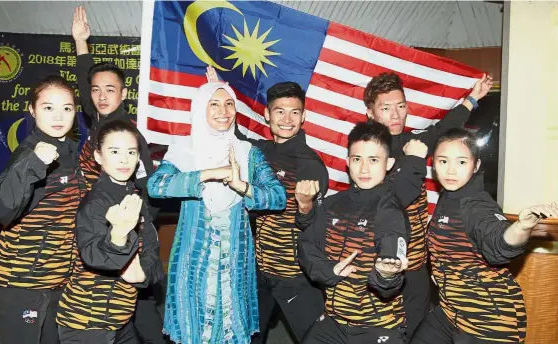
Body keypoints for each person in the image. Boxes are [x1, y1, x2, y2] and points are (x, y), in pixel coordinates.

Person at [147, 81, 287, 344]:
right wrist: (209, 174)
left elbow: (278, 198)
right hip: (194, 260)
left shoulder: (247, 153)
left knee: (231, 328)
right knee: (194, 327)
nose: (224, 110)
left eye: (229, 103)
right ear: (200, 109)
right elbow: (156, 187)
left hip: (235, 262)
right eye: (214, 103)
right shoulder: (183, 149)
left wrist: (242, 186)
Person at [363, 72, 493, 338]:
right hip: (382, 264)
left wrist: (473, 98)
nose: (396, 114)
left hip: (418, 265)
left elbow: (444, 129)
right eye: (386, 109)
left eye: (401, 106)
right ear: (370, 113)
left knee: (417, 331)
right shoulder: (367, 153)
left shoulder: (415, 142)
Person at [411, 128, 558, 344]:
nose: (451, 170)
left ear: (476, 165)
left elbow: (499, 243)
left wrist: (522, 227)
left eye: (461, 162)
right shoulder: (449, 196)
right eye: (443, 161)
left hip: (488, 319)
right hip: (452, 310)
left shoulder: (475, 205)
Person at [72, 6, 164, 343]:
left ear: (124, 94)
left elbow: (148, 189)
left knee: (141, 312)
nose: (101, 96)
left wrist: (138, 236)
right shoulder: (101, 123)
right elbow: (86, 91)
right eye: (97, 90)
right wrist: (82, 45)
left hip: (125, 234)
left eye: (110, 89)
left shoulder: (126, 136)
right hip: (103, 230)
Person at [297, 122, 427, 344]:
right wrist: (328, 269)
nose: (364, 169)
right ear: (348, 163)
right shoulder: (331, 204)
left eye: (373, 160)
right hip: (334, 322)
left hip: (378, 327)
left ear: (389, 164)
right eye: (357, 159)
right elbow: (306, 245)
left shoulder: (390, 207)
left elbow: (391, 237)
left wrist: (387, 273)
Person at [0, 75, 85, 344]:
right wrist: (33, 163)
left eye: (67, 108)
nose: (58, 116)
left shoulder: (69, 150)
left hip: (57, 280)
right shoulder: (29, 153)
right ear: (32, 110)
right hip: (21, 283)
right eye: (48, 107)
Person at [226, 77, 329, 343]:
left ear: (303, 116)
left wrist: (306, 207)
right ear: (267, 114)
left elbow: (317, 228)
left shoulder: (310, 164)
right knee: (247, 337)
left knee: (317, 339)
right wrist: (222, 94)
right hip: (259, 272)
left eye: (294, 112)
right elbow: (234, 137)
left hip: (295, 276)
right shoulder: (262, 150)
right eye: (279, 111)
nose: (287, 119)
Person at [56, 120, 164, 344]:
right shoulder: (94, 202)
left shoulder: (135, 197)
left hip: (120, 319)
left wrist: (143, 274)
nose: (124, 159)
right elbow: (92, 255)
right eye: (114, 151)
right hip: (86, 322)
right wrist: (118, 237)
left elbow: (152, 251)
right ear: (98, 157)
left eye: (131, 152)